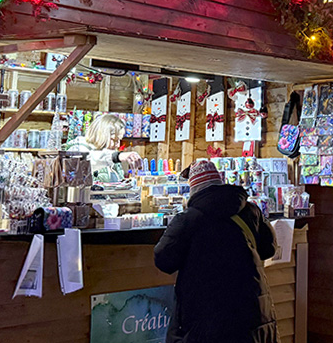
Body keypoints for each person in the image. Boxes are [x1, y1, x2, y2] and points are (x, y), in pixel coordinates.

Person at [154, 160, 278, 343]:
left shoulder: (188, 219)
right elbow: (269, 248)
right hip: (252, 308)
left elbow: (163, 260)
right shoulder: (250, 211)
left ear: (194, 189)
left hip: (208, 316)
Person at [62, 113, 141, 182]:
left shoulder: (112, 157)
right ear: (102, 135)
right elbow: (89, 160)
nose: (117, 145)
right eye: (114, 140)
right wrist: (117, 156)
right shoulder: (79, 148)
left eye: (119, 140)